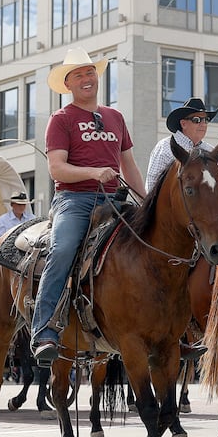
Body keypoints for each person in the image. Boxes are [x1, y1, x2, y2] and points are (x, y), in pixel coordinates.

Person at [31, 47, 146, 367]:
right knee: (63, 248)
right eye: (78, 74)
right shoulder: (61, 119)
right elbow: (57, 169)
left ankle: (175, 330)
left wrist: (146, 201)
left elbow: (130, 167)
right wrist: (93, 173)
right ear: (67, 84)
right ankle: (43, 331)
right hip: (75, 200)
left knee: (154, 244)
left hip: (116, 201)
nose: (86, 78)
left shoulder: (115, 117)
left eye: (90, 72)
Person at [146, 97, 218, 200]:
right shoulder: (165, 147)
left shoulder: (210, 150)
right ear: (183, 124)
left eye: (206, 120)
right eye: (196, 120)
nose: (203, 124)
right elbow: (151, 187)